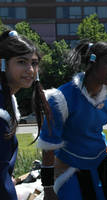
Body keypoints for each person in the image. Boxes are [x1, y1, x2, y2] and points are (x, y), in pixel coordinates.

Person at [37, 40, 107, 200]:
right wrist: (48, 188)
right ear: (92, 61)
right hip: (68, 167)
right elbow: (48, 146)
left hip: (101, 161)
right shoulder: (62, 98)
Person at [0, 29, 51, 200]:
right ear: (3, 64)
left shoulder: (8, 101)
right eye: (22, 62)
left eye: (34, 63)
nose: (30, 69)